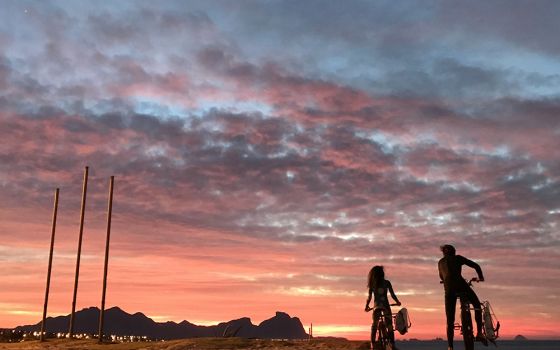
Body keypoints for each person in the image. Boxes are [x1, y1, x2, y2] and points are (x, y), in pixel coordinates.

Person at [438, 244, 488, 350]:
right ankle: (479, 333)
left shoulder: (440, 262)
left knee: (449, 321)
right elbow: (476, 266)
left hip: (449, 291)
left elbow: (441, 276)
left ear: (444, 253)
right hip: (461, 286)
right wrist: (481, 277)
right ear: (454, 252)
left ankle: (450, 347)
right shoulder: (458, 258)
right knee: (477, 305)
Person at [365, 265, 401, 350]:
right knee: (389, 326)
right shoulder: (387, 283)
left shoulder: (372, 284)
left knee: (374, 325)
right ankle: (392, 344)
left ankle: (372, 344)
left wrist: (366, 306)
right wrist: (397, 302)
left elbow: (369, 298)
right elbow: (392, 295)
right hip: (386, 306)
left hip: (376, 307)